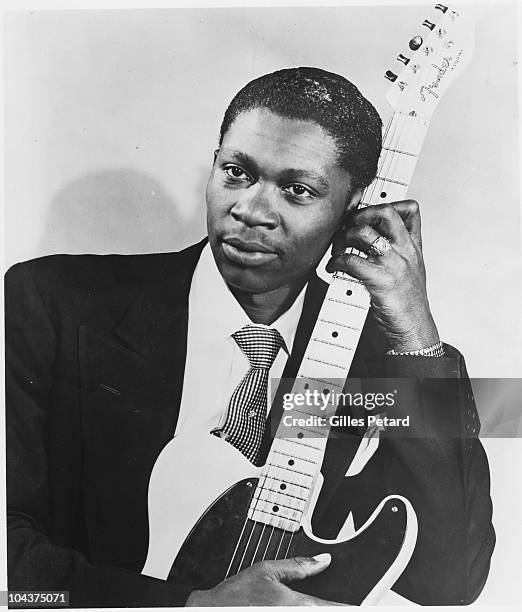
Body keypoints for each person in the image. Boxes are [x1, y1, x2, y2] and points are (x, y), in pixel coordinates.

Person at [5, 67, 494, 607]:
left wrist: (416, 336)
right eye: (236, 172)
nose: (251, 210)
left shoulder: (371, 367)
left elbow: (450, 580)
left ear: (353, 210)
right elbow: (11, 565)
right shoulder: (53, 303)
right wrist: (192, 606)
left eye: (297, 190)